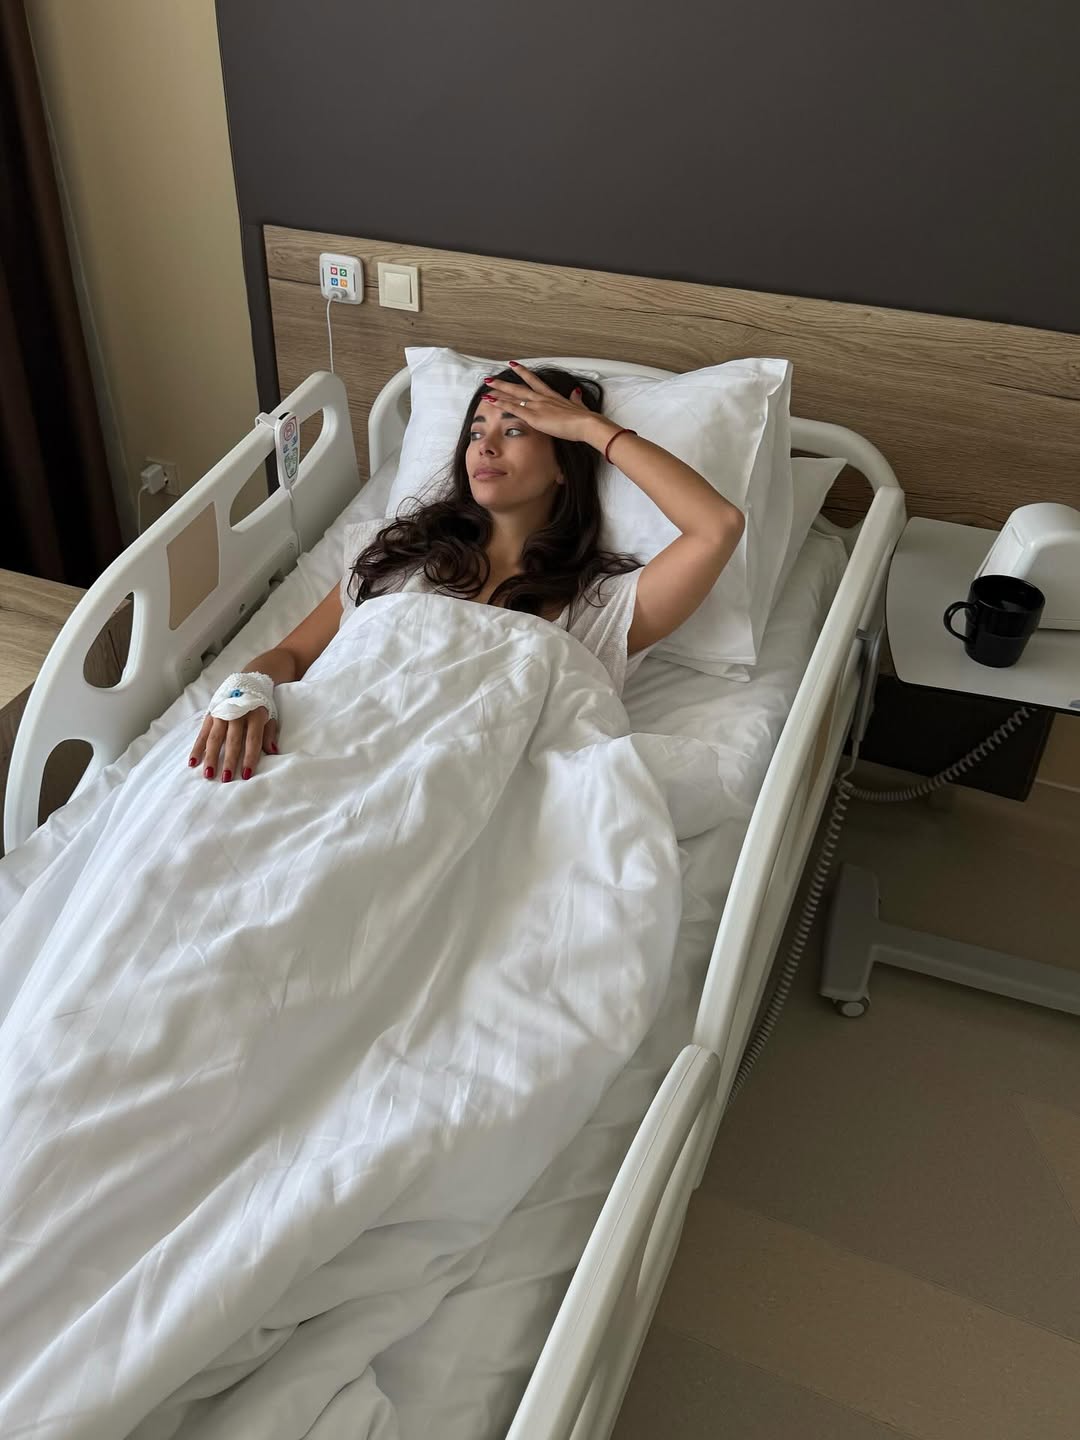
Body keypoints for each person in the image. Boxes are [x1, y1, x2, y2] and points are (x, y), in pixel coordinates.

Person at [187, 362, 744, 782]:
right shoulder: (399, 558)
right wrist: (245, 691)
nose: (486, 446)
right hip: (318, 754)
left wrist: (591, 429)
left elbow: (717, 526)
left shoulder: (598, 605)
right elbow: (290, 656)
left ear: (564, 465)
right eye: (476, 432)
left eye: (517, 429)